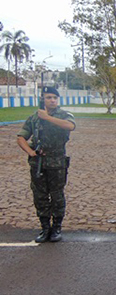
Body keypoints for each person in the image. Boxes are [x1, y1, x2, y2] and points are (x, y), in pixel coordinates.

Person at [17, 86, 76, 243]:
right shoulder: (34, 118)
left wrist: (47, 118)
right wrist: (30, 152)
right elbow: (21, 137)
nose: (52, 100)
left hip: (57, 162)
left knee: (57, 196)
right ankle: (44, 228)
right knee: (40, 196)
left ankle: (56, 228)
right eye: (48, 97)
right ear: (42, 99)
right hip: (38, 163)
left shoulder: (64, 115)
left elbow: (70, 126)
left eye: (54, 98)